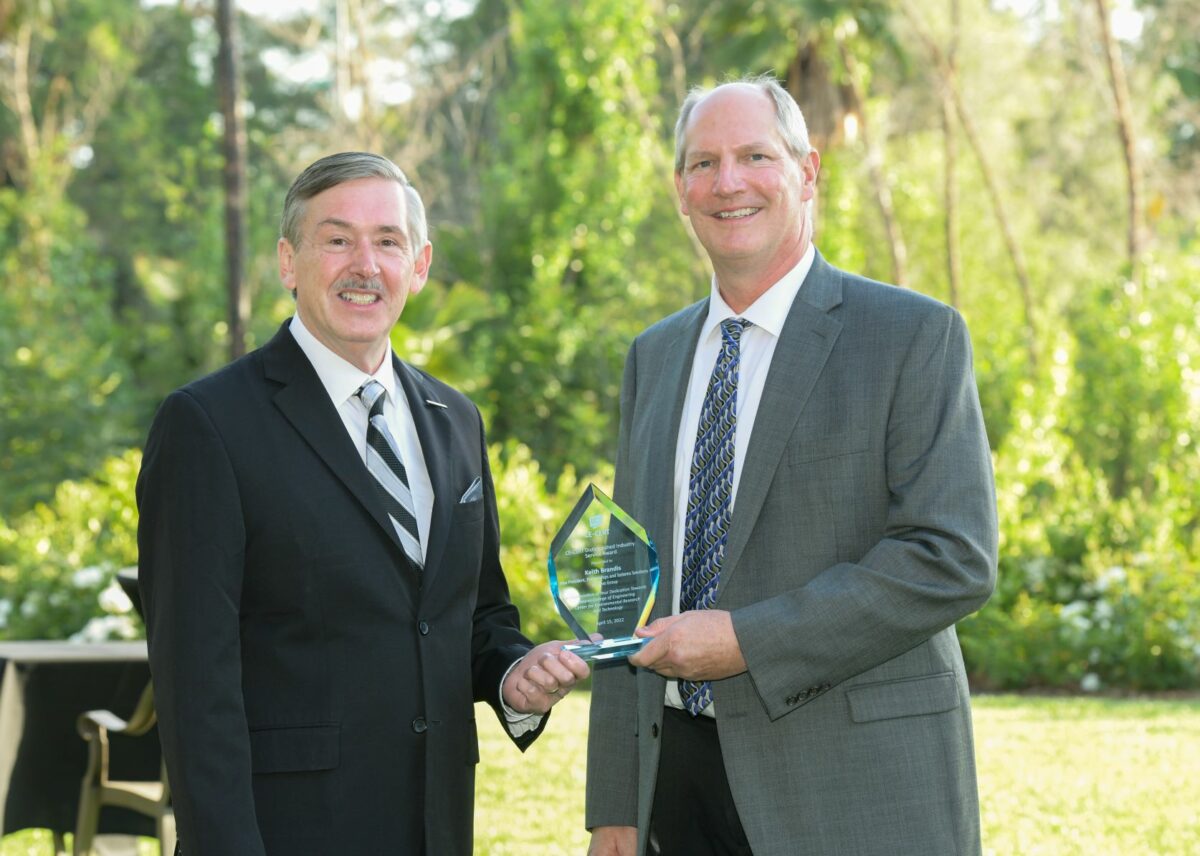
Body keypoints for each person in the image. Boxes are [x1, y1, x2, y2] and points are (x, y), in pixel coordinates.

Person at [585, 76, 998, 856]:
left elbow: (952, 557)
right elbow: (624, 585)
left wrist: (747, 640)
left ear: (807, 172)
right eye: (703, 163)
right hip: (675, 783)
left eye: (754, 156)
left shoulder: (912, 335)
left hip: (851, 787)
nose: (727, 182)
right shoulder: (655, 356)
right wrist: (615, 800)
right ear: (680, 190)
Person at [137, 151, 589, 856]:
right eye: (337, 238)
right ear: (289, 261)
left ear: (421, 264)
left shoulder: (455, 419)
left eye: (387, 241)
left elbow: (473, 616)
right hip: (290, 833)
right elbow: (195, 684)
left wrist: (511, 676)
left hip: (438, 827)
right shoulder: (209, 424)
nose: (365, 264)